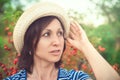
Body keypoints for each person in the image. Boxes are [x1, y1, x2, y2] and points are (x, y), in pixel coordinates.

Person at [4, 2, 120, 80]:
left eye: (60, 33)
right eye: (46, 34)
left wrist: (85, 45)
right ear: (29, 43)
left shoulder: (75, 78)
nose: (57, 41)